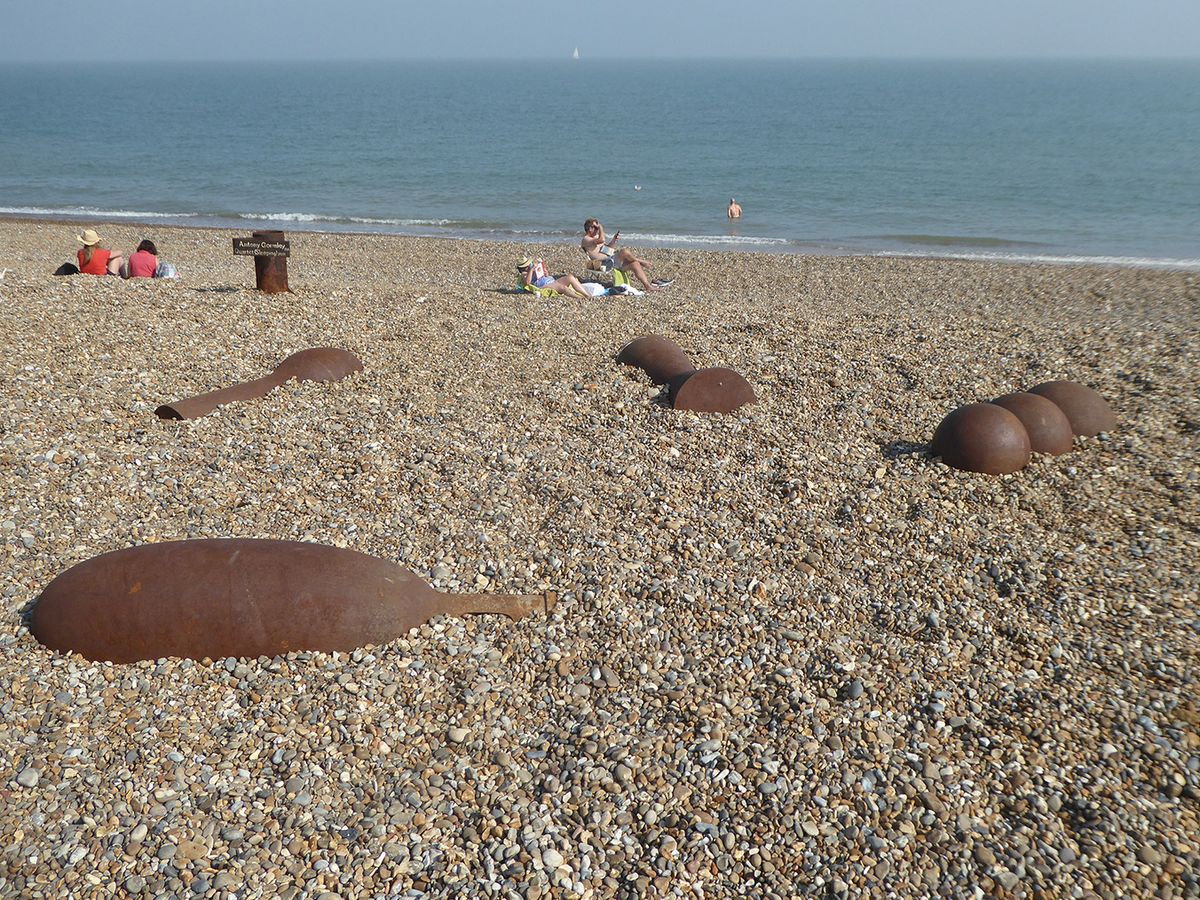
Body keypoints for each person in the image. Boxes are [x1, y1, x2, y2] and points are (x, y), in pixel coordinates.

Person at [580, 218, 661, 292]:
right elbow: (602, 239)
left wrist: (614, 240)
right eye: (596, 227)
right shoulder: (586, 239)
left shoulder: (596, 238)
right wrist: (601, 227)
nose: (597, 230)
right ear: (590, 228)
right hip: (600, 264)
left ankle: (647, 286)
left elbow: (608, 250)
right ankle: (641, 261)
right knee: (624, 251)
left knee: (634, 264)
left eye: (597, 227)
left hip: (609, 261)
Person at [517, 257, 591, 299]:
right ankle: (580, 298)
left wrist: (545, 273)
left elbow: (544, 276)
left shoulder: (531, 270)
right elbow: (527, 282)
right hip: (543, 285)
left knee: (570, 277)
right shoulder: (524, 274)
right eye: (529, 264)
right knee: (563, 288)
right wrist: (531, 271)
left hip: (550, 280)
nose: (531, 265)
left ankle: (587, 295)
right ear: (525, 267)